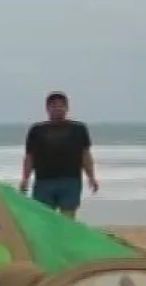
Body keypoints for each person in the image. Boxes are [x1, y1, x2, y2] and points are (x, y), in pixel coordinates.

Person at [20, 91, 98, 219]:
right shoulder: (37, 130)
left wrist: (91, 177)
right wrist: (25, 178)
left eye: (61, 105)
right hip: (43, 181)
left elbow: (85, 155)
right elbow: (29, 156)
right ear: (47, 108)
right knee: (44, 219)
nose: (57, 108)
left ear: (67, 108)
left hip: (70, 180)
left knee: (68, 218)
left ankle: (66, 239)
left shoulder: (78, 129)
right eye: (53, 106)